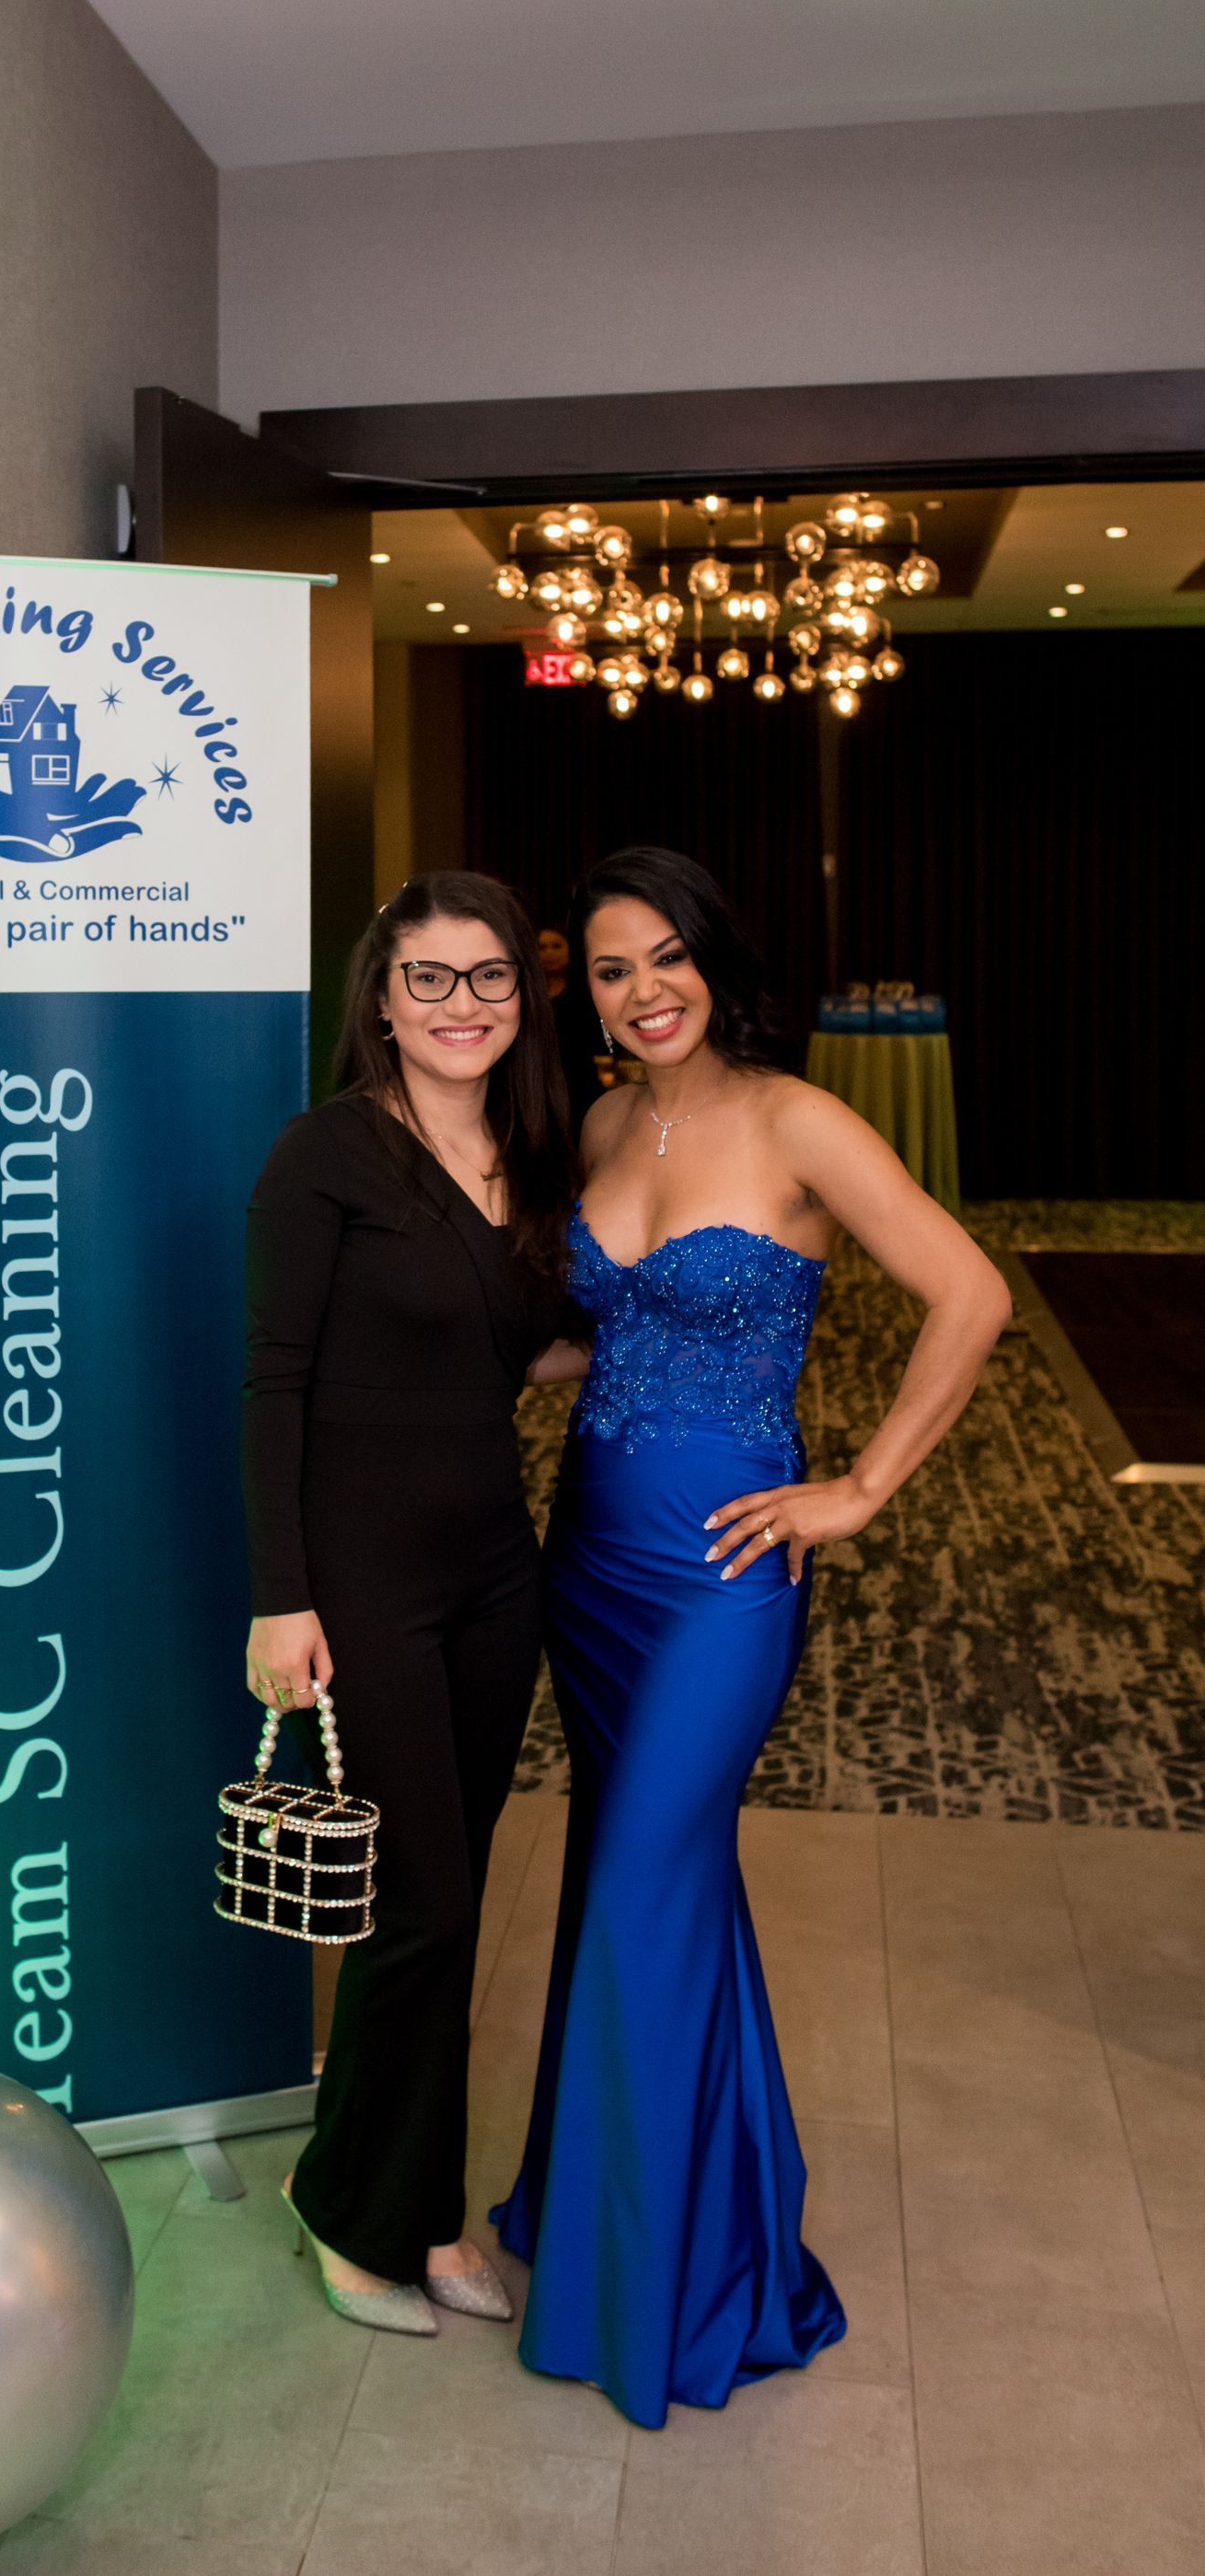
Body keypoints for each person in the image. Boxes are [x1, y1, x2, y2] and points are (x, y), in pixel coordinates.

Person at [494, 844, 1010, 2426]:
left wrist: (858, 1487)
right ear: (585, 994)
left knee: (645, 1885)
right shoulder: (601, 1126)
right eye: (611, 969)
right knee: (639, 1882)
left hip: (727, 1569)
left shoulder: (799, 1121)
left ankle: (656, 2288)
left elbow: (970, 1294)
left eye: (668, 956)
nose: (644, 990)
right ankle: (641, 2220)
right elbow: (600, 1336)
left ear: (714, 960)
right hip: (592, 1556)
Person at [242, 872, 578, 2336]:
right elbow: (274, 1384)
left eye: (488, 976)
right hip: (362, 1584)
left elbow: (521, 1346)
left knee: (455, 1901)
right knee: (418, 1911)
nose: (461, 1004)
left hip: (496, 1573)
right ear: (380, 995)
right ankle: (348, 2203)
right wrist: (282, 1601)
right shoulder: (325, 1154)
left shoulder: (535, 1153)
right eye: (428, 977)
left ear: (524, 994)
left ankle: (427, 2211)